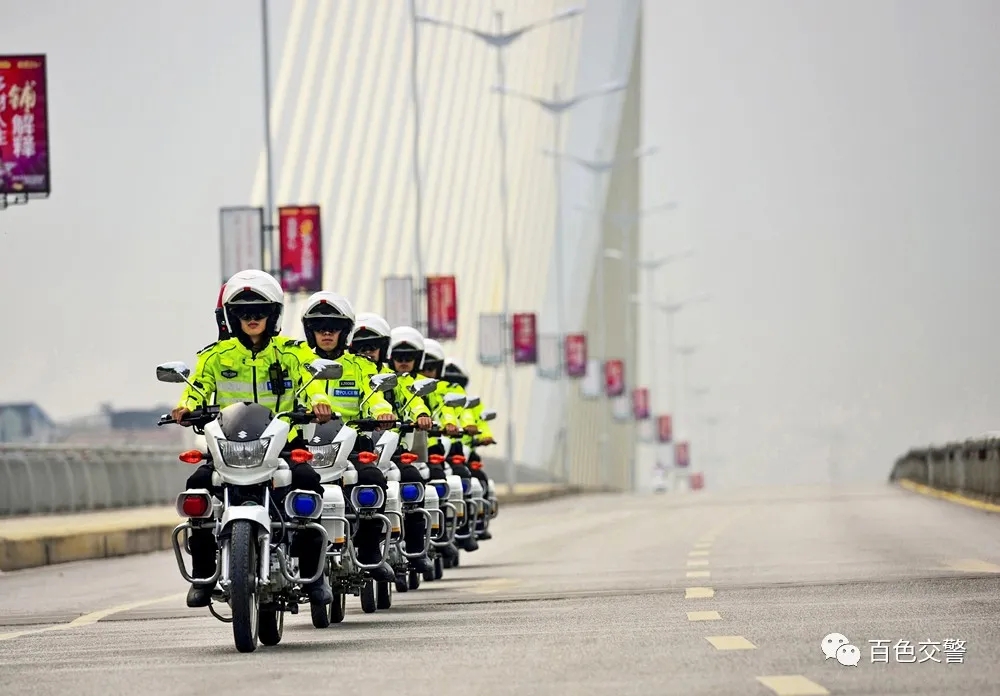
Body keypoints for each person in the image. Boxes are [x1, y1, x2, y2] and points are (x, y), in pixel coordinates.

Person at [172, 269, 334, 609]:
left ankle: (314, 576)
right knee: (197, 489)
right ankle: (202, 576)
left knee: (307, 486)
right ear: (232, 317)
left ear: (273, 314)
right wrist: (185, 406)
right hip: (229, 449)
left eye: (259, 311)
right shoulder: (215, 356)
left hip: (282, 446)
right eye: (244, 312)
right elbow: (197, 388)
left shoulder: (294, 353)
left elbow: (313, 382)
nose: (252, 318)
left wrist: (320, 403)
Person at [281, 293, 398, 583]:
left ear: (345, 332)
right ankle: (290, 550)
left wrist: (383, 413)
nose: (327, 332)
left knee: (373, 479)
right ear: (310, 331)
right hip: (305, 445)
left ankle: (370, 551)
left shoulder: (360, 366)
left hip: (352, 445)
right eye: (320, 327)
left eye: (333, 327)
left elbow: (376, 398)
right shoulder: (298, 362)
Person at [348, 315, 437, 574]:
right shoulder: (347, 370)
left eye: (372, 347)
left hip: (390, 446)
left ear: (382, 349)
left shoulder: (395, 378)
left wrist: (421, 415)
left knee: (412, 479)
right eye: (361, 347)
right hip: (347, 445)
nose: (367, 352)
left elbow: (414, 399)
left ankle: (414, 549)